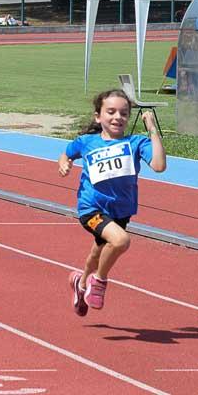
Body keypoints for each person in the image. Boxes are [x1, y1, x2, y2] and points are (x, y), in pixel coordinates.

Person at [58, 89, 166, 315]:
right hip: (91, 208)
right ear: (98, 116)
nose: (118, 117)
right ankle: (99, 283)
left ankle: (82, 283)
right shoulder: (86, 142)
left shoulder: (135, 143)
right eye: (111, 112)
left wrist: (153, 130)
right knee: (120, 241)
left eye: (123, 113)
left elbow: (158, 165)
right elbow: (67, 153)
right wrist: (64, 163)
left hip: (120, 211)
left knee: (98, 253)